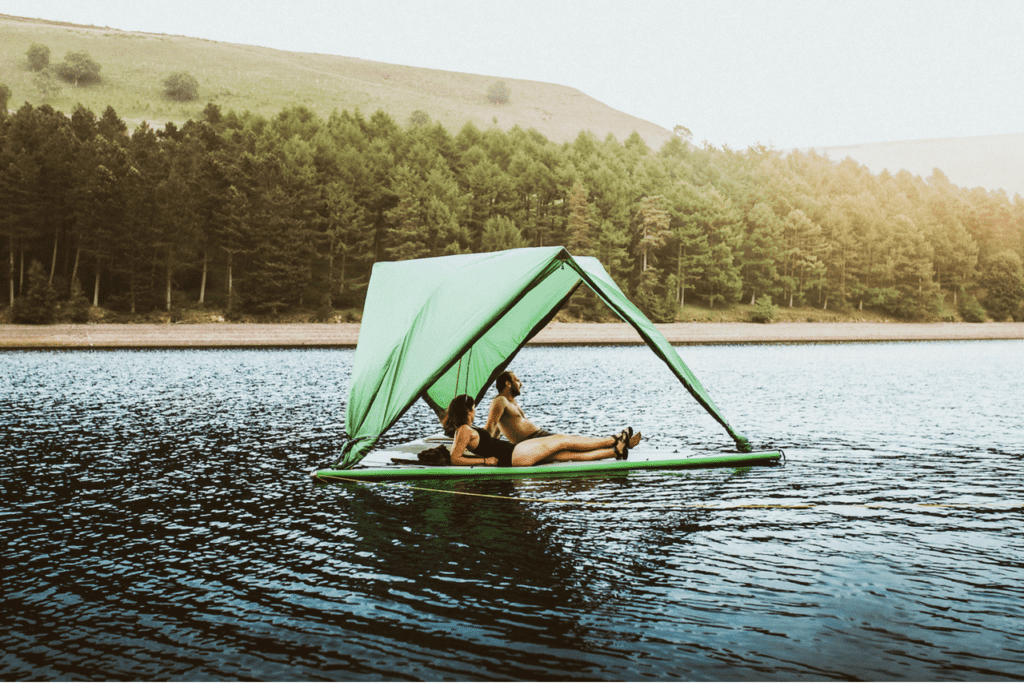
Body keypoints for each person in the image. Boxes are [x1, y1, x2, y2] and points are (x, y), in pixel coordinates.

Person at [443, 394, 638, 468]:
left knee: (563, 455)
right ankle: (614, 439)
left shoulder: (466, 430)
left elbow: (482, 443)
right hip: (514, 456)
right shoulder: (463, 430)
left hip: (516, 453)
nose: (475, 411)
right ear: (467, 410)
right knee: (562, 440)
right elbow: (455, 458)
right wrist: (486, 461)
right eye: (474, 408)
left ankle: (615, 451)